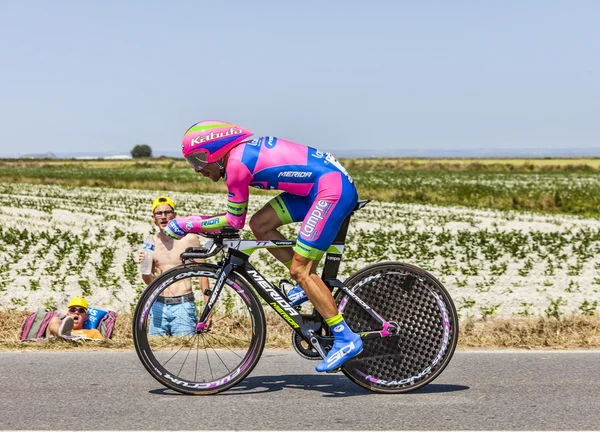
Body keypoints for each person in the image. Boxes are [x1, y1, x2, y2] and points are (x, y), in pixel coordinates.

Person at [164, 120, 362, 372]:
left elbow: (234, 221)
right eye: (192, 163)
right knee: (260, 224)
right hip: (316, 187)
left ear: (214, 151)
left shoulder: (236, 165)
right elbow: (245, 223)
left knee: (301, 271)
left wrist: (188, 223)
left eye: (198, 160)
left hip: (331, 189)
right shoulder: (238, 155)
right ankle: (307, 289)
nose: (197, 169)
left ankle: (345, 337)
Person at [139, 195, 210, 336]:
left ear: (174, 215)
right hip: (158, 305)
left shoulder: (189, 239)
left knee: (184, 351)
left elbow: (203, 275)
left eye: (167, 212)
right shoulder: (150, 243)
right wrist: (144, 267)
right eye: (159, 213)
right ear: (153, 218)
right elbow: (149, 281)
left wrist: (208, 309)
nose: (163, 216)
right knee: (155, 351)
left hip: (183, 305)